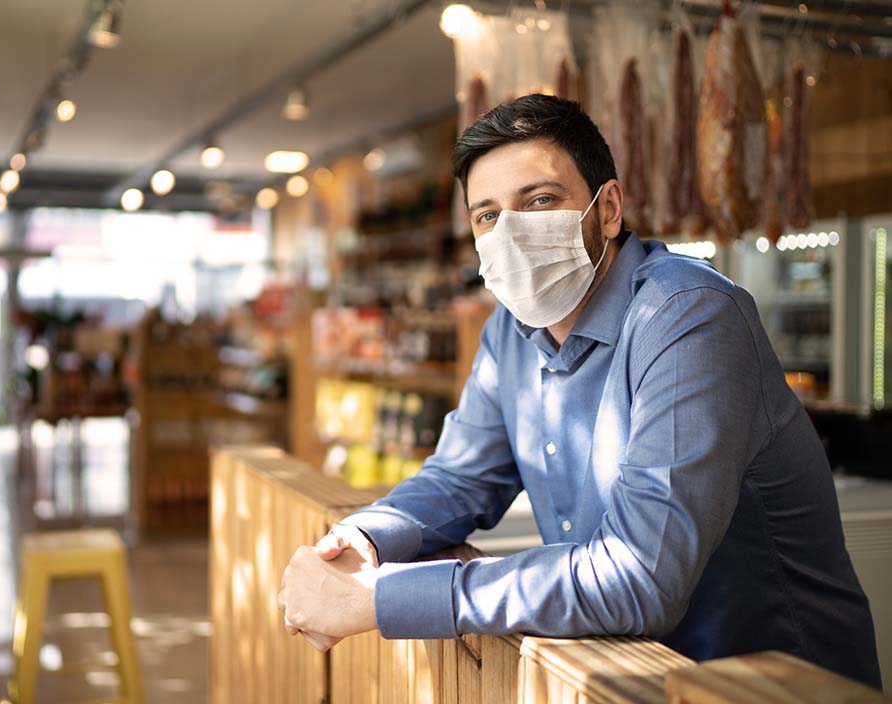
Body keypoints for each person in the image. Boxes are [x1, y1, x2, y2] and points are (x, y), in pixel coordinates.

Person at [276, 94, 882, 689]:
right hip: (617, 677)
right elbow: (460, 479)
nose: (510, 232)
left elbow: (639, 575)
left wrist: (385, 599)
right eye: (488, 215)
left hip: (765, 685)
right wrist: (364, 536)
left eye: (539, 200)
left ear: (609, 207)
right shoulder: (510, 332)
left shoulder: (687, 316)